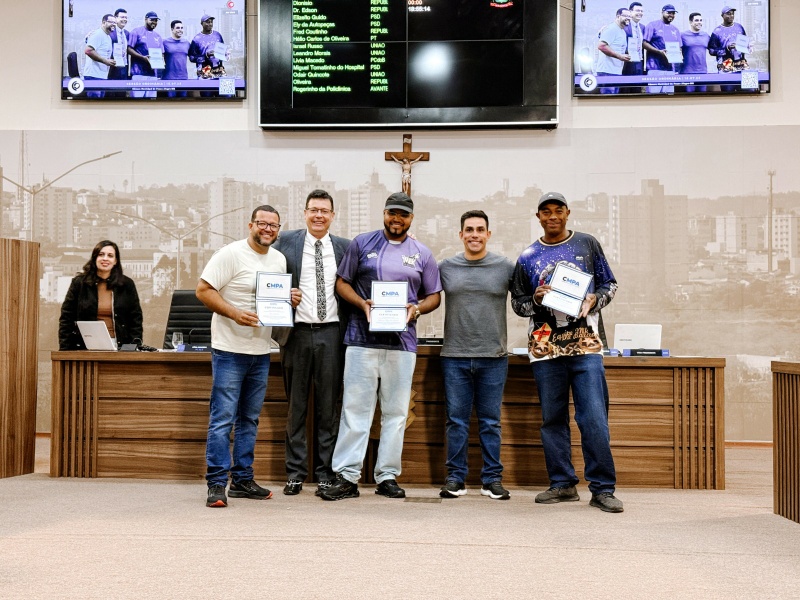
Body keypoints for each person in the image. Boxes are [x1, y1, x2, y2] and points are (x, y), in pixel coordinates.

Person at [320, 192, 442, 501]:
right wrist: (362, 303)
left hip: (402, 344)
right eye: (392, 213)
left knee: (396, 413)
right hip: (361, 340)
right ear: (384, 214)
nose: (397, 218)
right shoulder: (361, 244)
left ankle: (387, 476)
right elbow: (341, 283)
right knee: (355, 410)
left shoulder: (422, 253)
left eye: (403, 214)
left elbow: (435, 296)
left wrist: (417, 309)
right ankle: (347, 477)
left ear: (411, 218)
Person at [511, 192, 623, 513]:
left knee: (593, 417)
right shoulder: (527, 256)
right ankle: (562, 483)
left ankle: (602, 488)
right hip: (544, 344)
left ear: (567, 213)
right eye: (545, 212)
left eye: (558, 210)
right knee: (552, 418)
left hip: (584, 340)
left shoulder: (587, 243)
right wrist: (534, 298)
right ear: (538, 217)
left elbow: (609, 285)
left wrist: (593, 301)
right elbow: (518, 303)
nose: (552, 216)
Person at [196, 205, 302, 508]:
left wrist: (289, 298)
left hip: (260, 351)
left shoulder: (279, 259)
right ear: (250, 225)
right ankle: (217, 483)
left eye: (274, 225)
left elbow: (272, 302)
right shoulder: (229, 254)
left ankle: (242, 480)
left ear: (279, 229)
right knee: (222, 421)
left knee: (249, 421)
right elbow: (203, 291)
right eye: (262, 224)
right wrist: (234, 313)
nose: (268, 229)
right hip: (229, 349)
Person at [271, 190, 351, 497]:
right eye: (313, 210)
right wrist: (282, 297)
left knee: (329, 407)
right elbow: (267, 280)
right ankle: (294, 472)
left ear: (333, 215)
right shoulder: (285, 243)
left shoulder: (345, 247)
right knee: (297, 406)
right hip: (298, 334)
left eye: (324, 211)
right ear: (304, 213)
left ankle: (325, 472)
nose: (319, 215)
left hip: (332, 333)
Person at [437, 210, 515, 500]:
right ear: (460, 235)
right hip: (454, 356)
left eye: (480, 229)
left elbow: (524, 300)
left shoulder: (505, 267)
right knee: (456, 421)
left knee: (490, 422)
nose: (474, 234)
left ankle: (491, 479)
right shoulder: (445, 267)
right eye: (468, 229)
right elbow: (422, 290)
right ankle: (456, 479)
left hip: (493, 356)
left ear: (488, 234)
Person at [59, 240, 143, 350]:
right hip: (85, 346)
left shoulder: (127, 284)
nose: (105, 259)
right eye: (101, 254)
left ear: (116, 261)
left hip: (120, 346)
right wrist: (65, 350)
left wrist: (133, 347)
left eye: (110, 256)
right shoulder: (79, 283)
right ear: (95, 258)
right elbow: (66, 318)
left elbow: (136, 319)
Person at [709, 6, 751, 90]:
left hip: (742, 64)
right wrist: (726, 49)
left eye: (732, 14)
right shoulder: (717, 31)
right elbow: (711, 50)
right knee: (728, 93)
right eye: (728, 14)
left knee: (750, 91)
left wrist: (747, 46)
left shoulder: (740, 27)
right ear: (722, 15)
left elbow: (745, 43)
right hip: (726, 66)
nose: (731, 16)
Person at [643, 4, 682, 93]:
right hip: (655, 68)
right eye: (668, 13)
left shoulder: (675, 29)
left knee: (668, 96)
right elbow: (644, 43)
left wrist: (677, 65)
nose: (671, 15)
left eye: (673, 13)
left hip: (670, 69)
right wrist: (659, 51)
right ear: (662, 12)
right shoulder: (652, 25)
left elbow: (679, 49)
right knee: (653, 97)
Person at [127, 11, 164, 98]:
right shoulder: (136, 32)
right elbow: (129, 49)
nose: (154, 22)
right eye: (152, 20)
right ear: (145, 19)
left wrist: (161, 62)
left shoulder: (158, 36)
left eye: (156, 20)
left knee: (151, 102)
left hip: (152, 75)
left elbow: (161, 54)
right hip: (138, 74)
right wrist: (142, 57)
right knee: (137, 103)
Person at [596, 8, 632, 95]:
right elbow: (601, 46)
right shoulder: (611, 28)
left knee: (613, 101)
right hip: (607, 72)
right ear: (618, 16)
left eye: (630, 16)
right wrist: (620, 56)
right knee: (607, 102)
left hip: (616, 72)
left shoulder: (622, 31)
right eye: (625, 16)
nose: (628, 18)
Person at [82, 14, 117, 98]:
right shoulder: (98, 34)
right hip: (93, 76)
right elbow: (88, 50)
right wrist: (105, 61)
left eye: (115, 22)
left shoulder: (108, 37)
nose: (113, 24)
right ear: (104, 22)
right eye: (111, 22)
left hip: (102, 76)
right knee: (93, 107)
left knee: (99, 105)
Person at [189, 15, 229, 79]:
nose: (210, 24)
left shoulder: (218, 35)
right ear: (202, 23)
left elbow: (225, 52)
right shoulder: (196, 39)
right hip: (204, 71)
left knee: (224, 88)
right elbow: (191, 57)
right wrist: (206, 56)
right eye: (207, 22)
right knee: (206, 88)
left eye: (211, 22)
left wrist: (218, 53)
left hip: (219, 70)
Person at [680, 12, 711, 93]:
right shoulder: (682, 35)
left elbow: (713, 50)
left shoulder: (706, 36)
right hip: (687, 72)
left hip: (703, 72)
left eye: (701, 20)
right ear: (691, 22)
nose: (699, 22)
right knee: (688, 99)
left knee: (702, 99)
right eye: (696, 20)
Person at [621, 2, 646, 92]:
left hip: (639, 62)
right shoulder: (624, 26)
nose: (640, 13)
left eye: (642, 11)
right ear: (630, 12)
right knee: (625, 89)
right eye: (637, 10)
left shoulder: (643, 27)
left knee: (637, 89)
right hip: (626, 62)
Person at [163, 20, 190, 97]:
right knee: (169, 105)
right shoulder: (164, 42)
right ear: (172, 29)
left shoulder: (187, 43)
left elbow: (193, 57)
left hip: (183, 78)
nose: (180, 30)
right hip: (169, 79)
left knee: (182, 105)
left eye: (182, 28)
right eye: (178, 28)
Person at [108, 9, 130, 85]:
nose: (124, 19)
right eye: (122, 17)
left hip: (124, 67)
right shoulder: (109, 32)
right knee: (111, 93)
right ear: (115, 18)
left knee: (122, 93)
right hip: (112, 66)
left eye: (126, 18)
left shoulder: (127, 33)